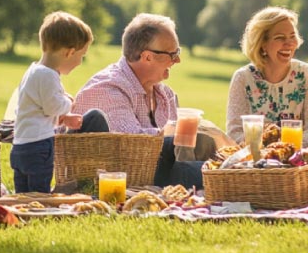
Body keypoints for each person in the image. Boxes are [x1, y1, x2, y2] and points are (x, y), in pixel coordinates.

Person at [73, 13, 215, 188]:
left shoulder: (165, 95)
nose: (177, 60)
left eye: (177, 52)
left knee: (218, 167)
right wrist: (175, 131)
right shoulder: (107, 89)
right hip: (120, 180)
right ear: (147, 57)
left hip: (156, 175)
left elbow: (177, 155)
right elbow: (131, 147)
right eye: (172, 54)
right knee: (212, 175)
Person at [11, 12, 107, 193]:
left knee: (23, 193)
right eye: (81, 56)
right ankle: (40, 213)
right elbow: (52, 106)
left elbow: (37, 111)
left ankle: (21, 211)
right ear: (69, 52)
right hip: (38, 146)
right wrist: (68, 102)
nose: (80, 62)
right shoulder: (48, 75)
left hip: (21, 145)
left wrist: (63, 119)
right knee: (40, 191)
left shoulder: (33, 72)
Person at [226, 6, 308, 146]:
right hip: (253, 160)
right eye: (280, 38)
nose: (289, 43)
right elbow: (234, 132)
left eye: (292, 36)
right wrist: (263, 151)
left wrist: (286, 150)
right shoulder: (243, 78)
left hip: (295, 161)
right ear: (263, 44)